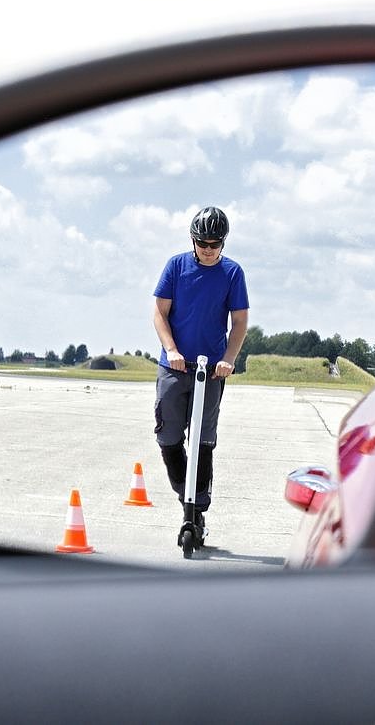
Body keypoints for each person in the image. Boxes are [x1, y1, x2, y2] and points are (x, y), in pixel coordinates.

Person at [152, 206, 249, 543]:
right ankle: (186, 497)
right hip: (174, 367)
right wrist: (171, 350)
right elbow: (159, 313)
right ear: (193, 241)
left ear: (223, 242)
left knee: (203, 440)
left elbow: (239, 322)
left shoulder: (232, 273)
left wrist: (228, 359)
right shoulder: (176, 267)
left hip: (211, 371)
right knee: (168, 437)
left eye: (214, 244)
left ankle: (196, 510)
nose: (208, 250)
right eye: (203, 243)